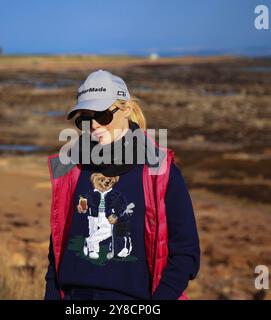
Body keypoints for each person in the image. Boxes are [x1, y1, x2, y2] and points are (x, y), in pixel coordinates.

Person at [44, 69, 200, 300]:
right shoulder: (71, 170)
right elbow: (57, 246)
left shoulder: (160, 172)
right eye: (84, 119)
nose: (94, 124)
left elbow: (186, 253)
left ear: (126, 109)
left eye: (102, 115)